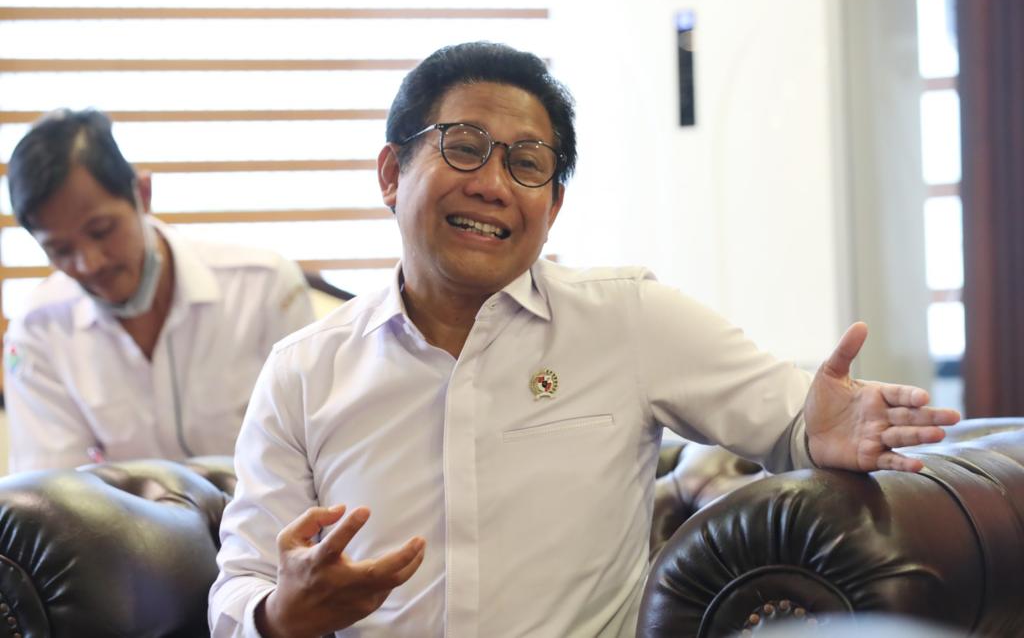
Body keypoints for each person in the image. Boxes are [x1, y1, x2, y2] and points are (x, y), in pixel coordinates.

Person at [208, 42, 960, 637]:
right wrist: (280, 616)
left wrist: (818, 428)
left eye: (527, 164)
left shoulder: (629, 320)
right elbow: (241, 582)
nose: (493, 184)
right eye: (464, 147)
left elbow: (792, 420)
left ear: (553, 205)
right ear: (390, 173)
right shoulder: (303, 372)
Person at [3, 109, 315, 472]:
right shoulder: (39, 332)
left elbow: (313, 445)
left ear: (143, 193)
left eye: (101, 231)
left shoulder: (262, 287)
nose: (89, 263)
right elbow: (55, 487)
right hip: (118, 512)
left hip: (268, 507)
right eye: (60, 250)